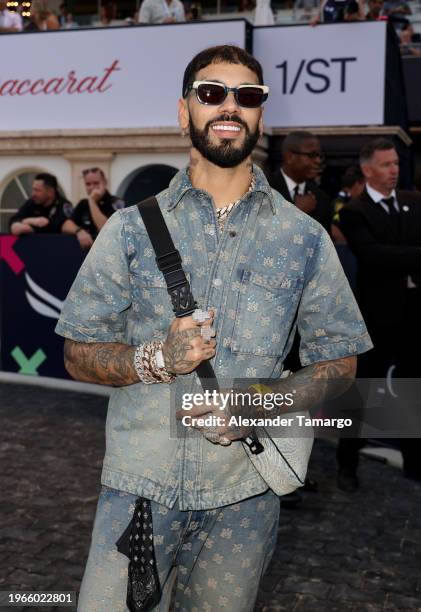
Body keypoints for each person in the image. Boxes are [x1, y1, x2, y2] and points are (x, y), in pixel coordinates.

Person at [55, 45, 371, 610]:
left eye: (247, 96)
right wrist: (154, 358)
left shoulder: (303, 238)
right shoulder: (129, 229)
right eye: (211, 93)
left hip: (245, 498)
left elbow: (341, 364)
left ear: (259, 117)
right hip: (139, 490)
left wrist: (254, 407)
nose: (229, 106)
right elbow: (78, 352)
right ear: (185, 113)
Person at [338, 138, 421, 489]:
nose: (394, 171)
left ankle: (415, 463)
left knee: (412, 387)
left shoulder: (413, 203)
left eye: (396, 165)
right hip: (375, 318)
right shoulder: (355, 211)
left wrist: (400, 254)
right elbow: (372, 255)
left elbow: (389, 254)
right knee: (363, 391)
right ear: (367, 170)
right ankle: (347, 465)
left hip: (414, 316)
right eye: (386, 165)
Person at [268, 130, 332, 234]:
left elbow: (324, 245)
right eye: (312, 155)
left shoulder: (321, 198)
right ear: (290, 157)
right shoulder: (262, 189)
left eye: (319, 155)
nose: (318, 161)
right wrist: (297, 211)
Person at [62, 168, 125, 250]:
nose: (92, 187)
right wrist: (79, 231)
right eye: (88, 184)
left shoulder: (116, 203)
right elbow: (66, 225)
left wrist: (92, 201)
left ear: (105, 183)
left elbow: (106, 229)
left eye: (96, 183)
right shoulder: (83, 203)